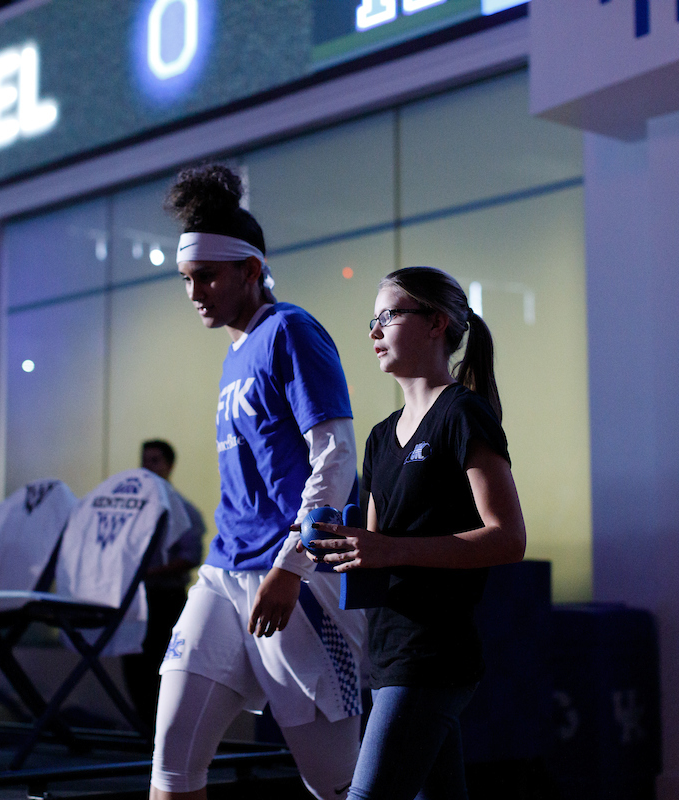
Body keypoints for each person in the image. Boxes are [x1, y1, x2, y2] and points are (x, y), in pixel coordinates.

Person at [151, 164, 365, 800]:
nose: (195, 292)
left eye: (207, 276)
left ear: (251, 269)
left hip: (295, 576)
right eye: (187, 279)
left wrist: (293, 565)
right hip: (223, 573)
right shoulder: (234, 352)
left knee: (337, 784)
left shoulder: (290, 330)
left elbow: (336, 456)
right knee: (171, 763)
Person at [304, 266, 527, 800]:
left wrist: (387, 548)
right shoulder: (380, 436)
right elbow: (375, 553)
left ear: (436, 323)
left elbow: (508, 538)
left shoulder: (463, 414)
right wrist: (335, 542)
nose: (374, 331)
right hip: (386, 651)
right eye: (372, 321)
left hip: (432, 654)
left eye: (388, 316)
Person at [121, 439, 206, 728]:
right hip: (138, 600)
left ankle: (164, 733)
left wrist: (148, 572)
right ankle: (145, 730)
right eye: (145, 460)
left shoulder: (184, 510)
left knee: (163, 669)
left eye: (155, 460)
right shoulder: (135, 509)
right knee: (134, 667)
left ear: (170, 466)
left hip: (166, 600)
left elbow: (190, 556)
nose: (148, 467)